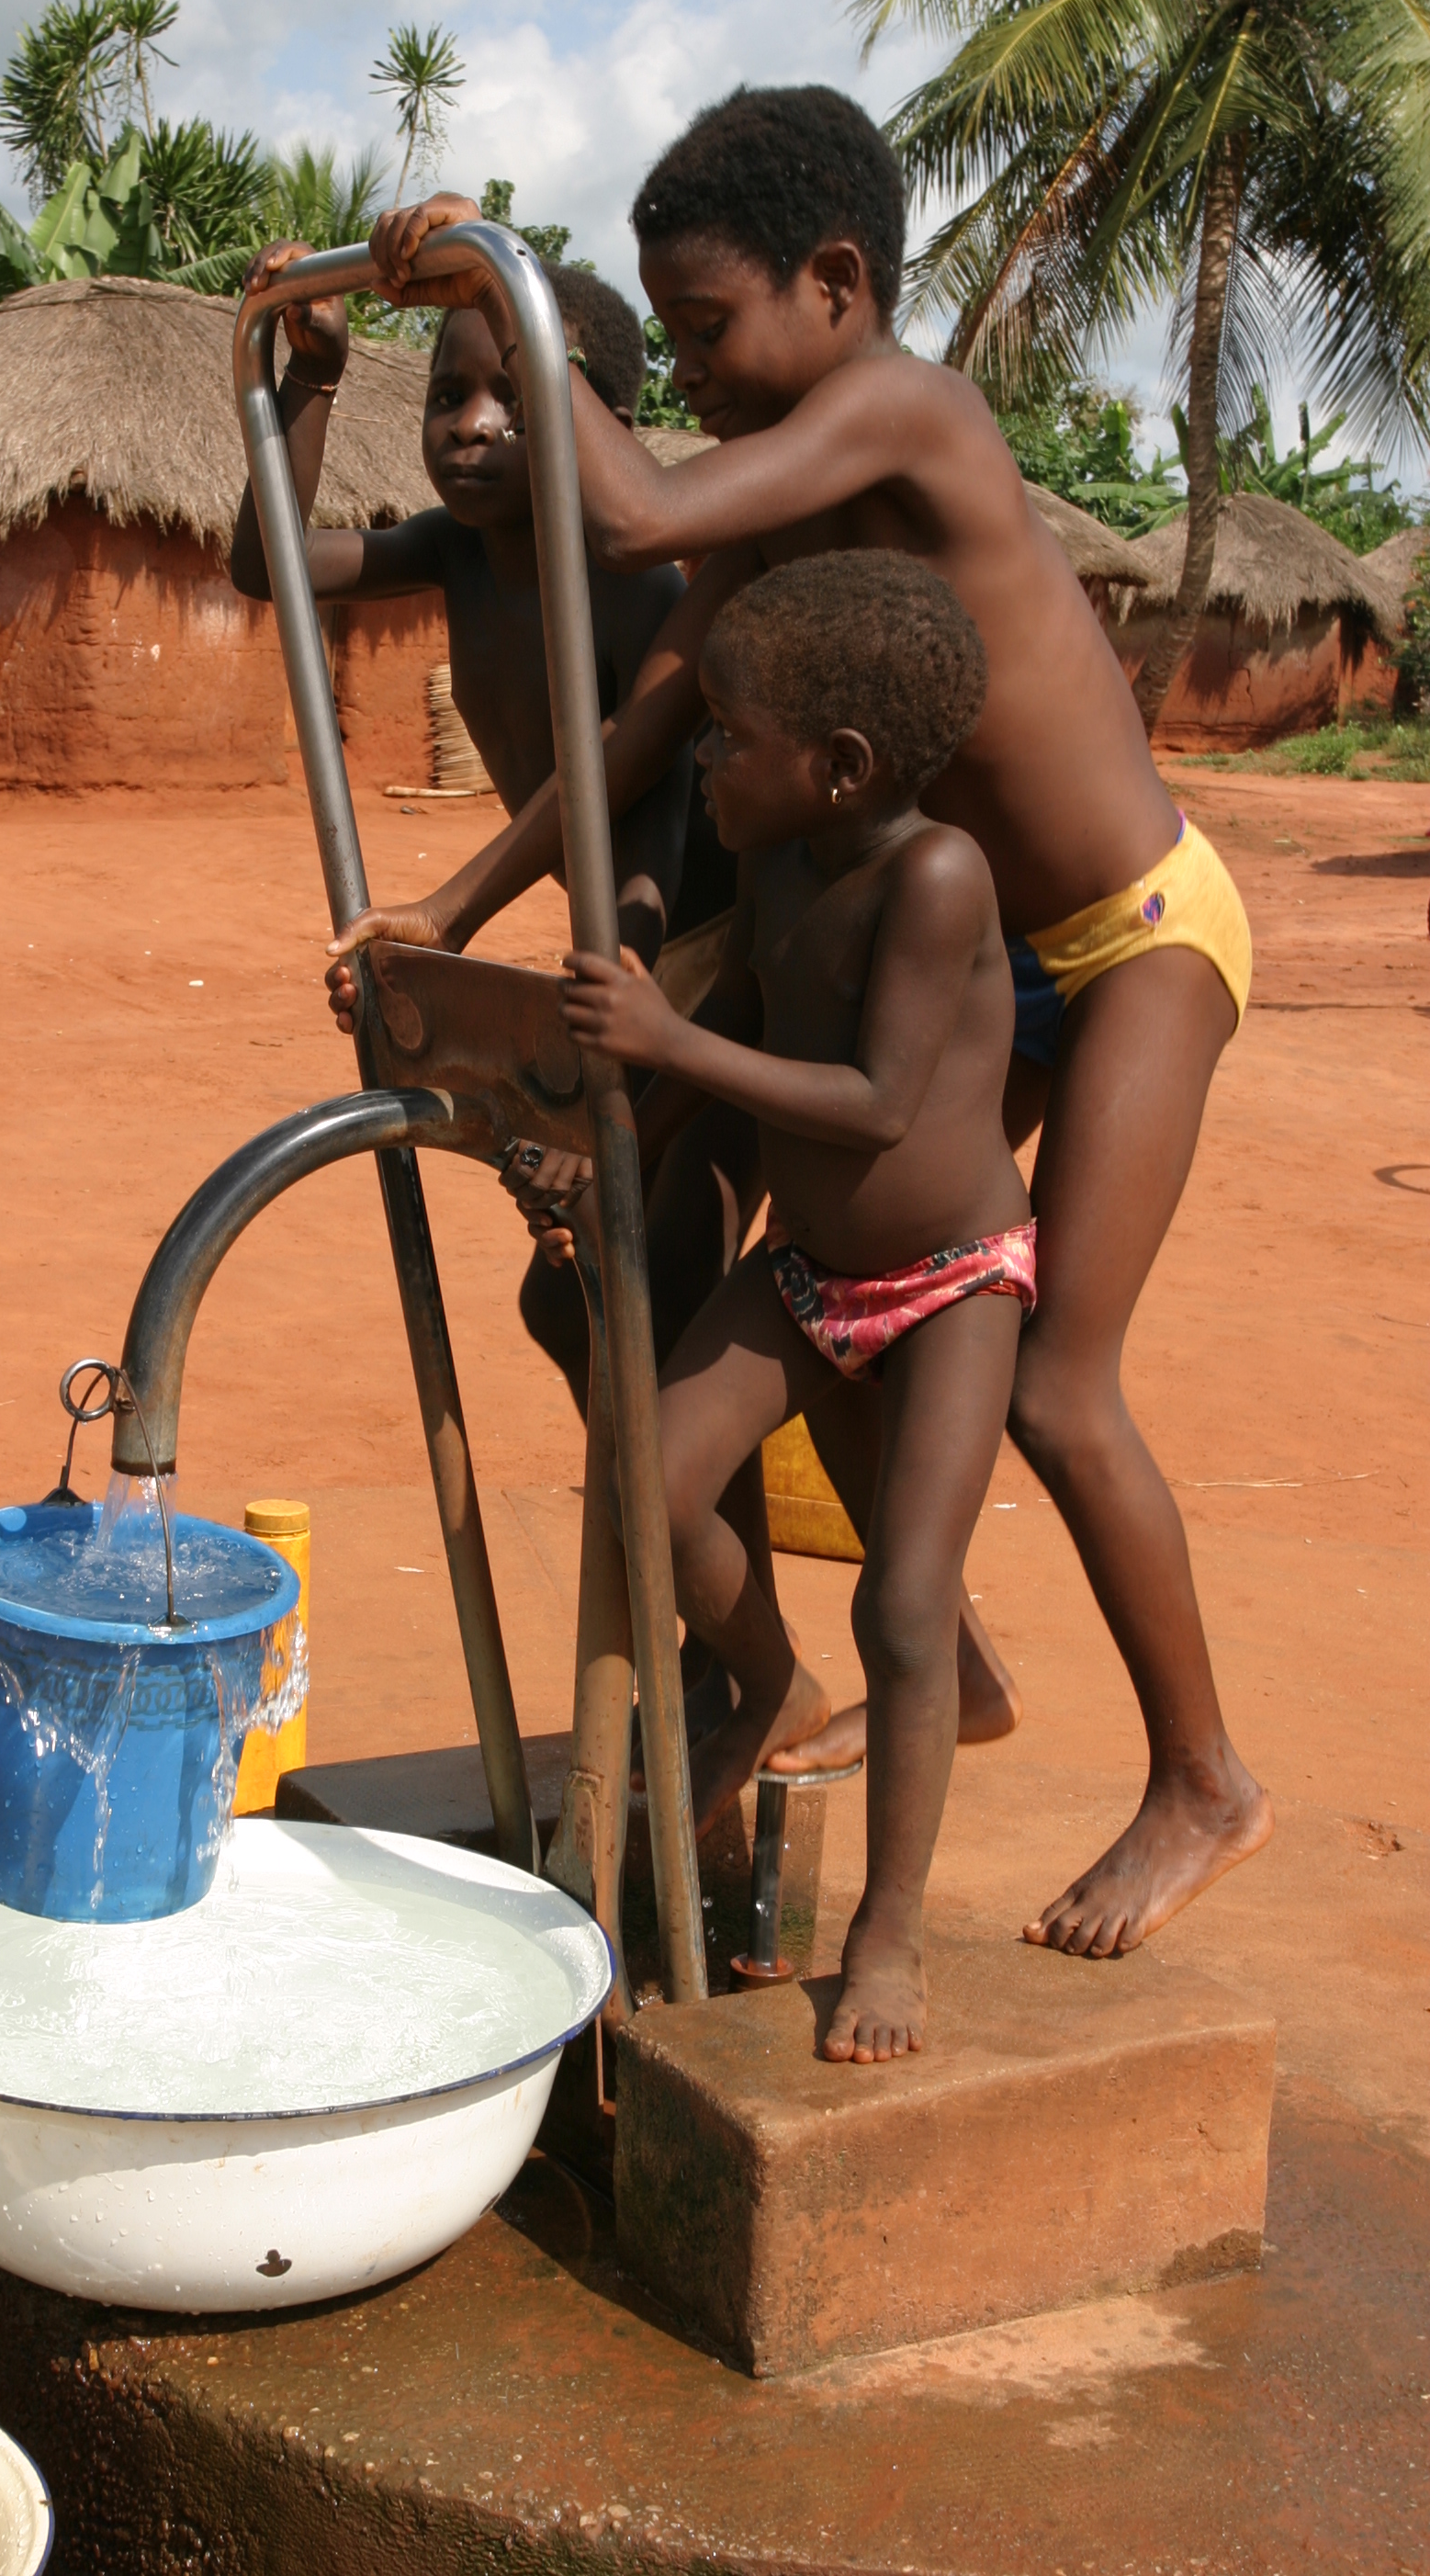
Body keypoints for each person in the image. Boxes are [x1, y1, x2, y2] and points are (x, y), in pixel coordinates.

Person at [338, 85, 1270, 1961]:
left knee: (1058, 1377)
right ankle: (916, 1650)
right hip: (980, 953)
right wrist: (445, 907)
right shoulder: (783, 497)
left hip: (1134, 936)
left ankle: (1201, 1778)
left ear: (836, 285)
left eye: (702, 331)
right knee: (841, 1259)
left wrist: (509, 282)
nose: (689, 369)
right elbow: (646, 727)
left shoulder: (907, 416)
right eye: (664, 339)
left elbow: (635, 502)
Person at [529, 552, 1030, 2062]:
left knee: (904, 1596)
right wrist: (614, 1134)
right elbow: (755, 1010)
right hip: (806, 1274)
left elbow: (876, 1101)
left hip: (943, 1288)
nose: (701, 757)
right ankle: (764, 1675)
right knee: (646, 1480)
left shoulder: (933, 876)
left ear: (839, 767)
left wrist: (666, 1046)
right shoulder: (778, 859)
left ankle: (884, 1939)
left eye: (728, 736)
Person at [230, 243, 752, 1442]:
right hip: (629, 948)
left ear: (599, 426)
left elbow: (653, 821)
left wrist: (612, 1048)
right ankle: (679, 1582)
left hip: (708, 957)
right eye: (446, 396)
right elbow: (268, 565)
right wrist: (312, 383)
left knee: (636, 1301)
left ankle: (686, 1576)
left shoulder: (629, 588)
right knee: (597, 1308)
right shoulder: (450, 548)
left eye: (513, 402)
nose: (469, 428)